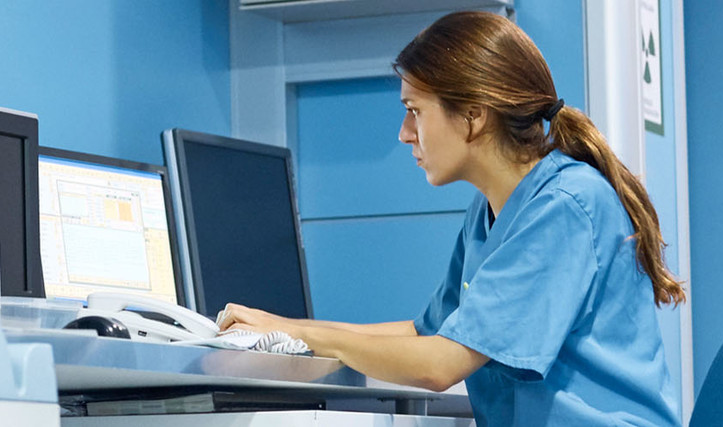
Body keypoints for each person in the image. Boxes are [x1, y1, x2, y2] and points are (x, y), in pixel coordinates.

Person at [216, 10, 686, 427]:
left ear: (474, 116)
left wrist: (300, 334)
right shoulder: (489, 210)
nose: (405, 135)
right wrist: (281, 326)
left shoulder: (565, 205)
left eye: (414, 111)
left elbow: (439, 364)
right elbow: (427, 332)